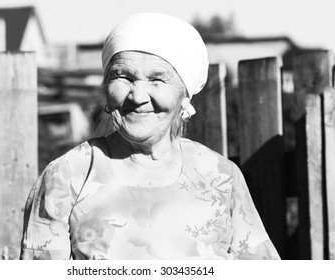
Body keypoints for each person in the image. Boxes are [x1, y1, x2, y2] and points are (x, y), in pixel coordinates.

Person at [20, 13, 280, 260]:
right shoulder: (66, 176)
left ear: (185, 94)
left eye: (157, 79)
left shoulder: (220, 175)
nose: (137, 96)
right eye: (123, 77)